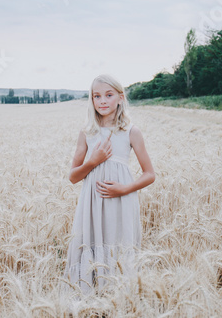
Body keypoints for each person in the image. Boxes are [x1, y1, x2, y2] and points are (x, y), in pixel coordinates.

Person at [63, 74, 155, 296]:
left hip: (120, 198)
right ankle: (88, 296)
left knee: (117, 240)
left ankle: (119, 297)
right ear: (91, 100)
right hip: (92, 200)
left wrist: (124, 189)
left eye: (108, 95)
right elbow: (73, 176)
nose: (102, 101)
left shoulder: (131, 132)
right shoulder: (87, 133)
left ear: (120, 98)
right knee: (92, 240)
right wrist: (93, 161)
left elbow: (149, 174)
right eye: (97, 96)